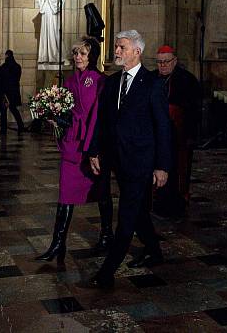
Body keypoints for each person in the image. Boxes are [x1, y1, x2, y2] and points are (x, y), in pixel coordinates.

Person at [86, 29, 172, 289]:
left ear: (137, 51)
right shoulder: (112, 83)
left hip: (141, 161)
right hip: (116, 159)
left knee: (126, 215)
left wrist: (162, 166)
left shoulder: (153, 84)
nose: (117, 52)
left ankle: (107, 271)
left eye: (122, 47)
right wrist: (94, 151)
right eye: (116, 47)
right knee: (138, 212)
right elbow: (102, 122)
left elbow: (163, 127)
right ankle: (154, 250)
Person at [36, 37, 108, 263]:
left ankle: (107, 236)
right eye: (76, 53)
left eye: (83, 54)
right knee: (65, 193)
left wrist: (92, 147)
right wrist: (57, 118)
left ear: (92, 56)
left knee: (100, 191)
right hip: (72, 145)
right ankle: (58, 244)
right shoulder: (70, 79)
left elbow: (96, 115)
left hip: (91, 145)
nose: (78, 57)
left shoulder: (99, 80)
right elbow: (67, 108)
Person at [152, 44, 200, 219]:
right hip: (156, 136)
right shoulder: (151, 79)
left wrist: (191, 135)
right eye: (159, 62)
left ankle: (177, 203)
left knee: (177, 171)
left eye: (166, 62)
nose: (163, 65)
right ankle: (157, 201)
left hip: (179, 136)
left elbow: (195, 110)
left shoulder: (187, 80)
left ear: (175, 61)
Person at [37, 0, 65, 64]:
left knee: (54, 33)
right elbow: (41, 0)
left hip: (53, 13)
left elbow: (61, 2)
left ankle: (55, 55)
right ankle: (46, 56)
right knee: (46, 33)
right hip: (46, 13)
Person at [0, 49, 27, 134]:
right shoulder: (17, 66)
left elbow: (2, 79)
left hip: (6, 91)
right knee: (13, 109)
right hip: (14, 90)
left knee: (4, 110)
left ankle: (3, 129)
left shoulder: (4, 66)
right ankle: (20, 125)